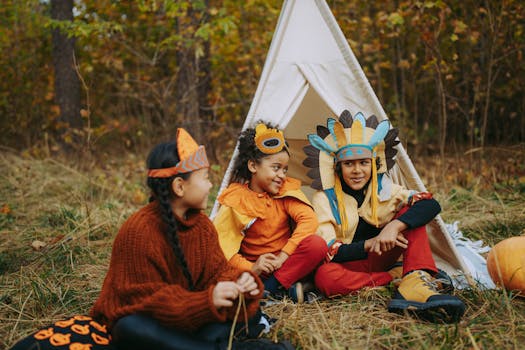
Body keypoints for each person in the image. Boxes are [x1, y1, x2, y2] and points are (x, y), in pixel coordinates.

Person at [10, 128, 293, 350]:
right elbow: (148, 301)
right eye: (205, 177)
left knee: (242, 316)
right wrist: (208, 300)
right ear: (179, 186)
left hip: (190, 319)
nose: (210, 184)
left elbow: (218, 273)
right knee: (131, 329)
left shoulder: (202, 226)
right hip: (151, 321)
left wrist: (240, 284)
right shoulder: (139, 231)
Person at [303, 110, 465, 323]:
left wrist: (394, 226)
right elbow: (329, 251)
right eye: (349, 164)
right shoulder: (325, 198)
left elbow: (430, 203)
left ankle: (416, 276)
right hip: (352, 263)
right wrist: (369, 244)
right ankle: (399, 279)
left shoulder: (384, 189)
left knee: (412, 213)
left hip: (384, 255)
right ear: (338, 167)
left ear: (372, 164)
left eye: (363, 162)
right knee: (325, 278)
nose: (357, 170)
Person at [213, 122, 328, 304]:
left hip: (287, 263)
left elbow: (309, 220)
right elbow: (223, 246)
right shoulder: (237, 199)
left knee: (317, 245)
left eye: (285, 169)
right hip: (257, 270)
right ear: (253, 166)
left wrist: (283, 256)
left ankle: (271, 291)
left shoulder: (284, 191)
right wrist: (253, 267)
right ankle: (285, 290)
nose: (282, 175)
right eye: (276, 168)